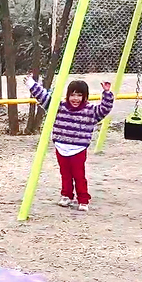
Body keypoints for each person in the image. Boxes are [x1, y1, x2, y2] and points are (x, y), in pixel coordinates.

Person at [24, 75, 113, 212]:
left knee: (79, 175)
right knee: (65, 174)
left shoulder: (90, 111)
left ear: (85, 97)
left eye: (79, 95)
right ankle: (66, 195)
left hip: (78, 148)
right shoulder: (59, 108)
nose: (75, 99)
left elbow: (105, 109)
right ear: (68, 95)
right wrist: (31, 84)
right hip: (61, 146)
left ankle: (83, 199)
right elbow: (44, 97)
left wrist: (106, 93)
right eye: (72, 95)